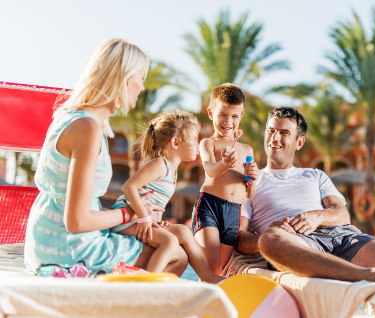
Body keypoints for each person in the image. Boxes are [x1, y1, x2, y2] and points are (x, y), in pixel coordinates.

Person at [24, 39, 188, 276]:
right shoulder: (87, 129)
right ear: (124, 78)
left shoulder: (73, 118)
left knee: (172, 248)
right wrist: (129, 214)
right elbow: (77, 221)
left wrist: (136, 206)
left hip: (49, 239)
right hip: (68, 248)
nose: (142, 87)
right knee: (176, 257)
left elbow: (77, 200)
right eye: (141, 77)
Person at [235, 106, 375, 282]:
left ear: (299, 142)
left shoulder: (315, 175)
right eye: (271, 131)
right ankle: (367, 276)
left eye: (284, 133)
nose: (275, 138)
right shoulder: (249, 183)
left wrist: (318, 216)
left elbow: (343, 214)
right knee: (269, 240)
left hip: (341, 236)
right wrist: (266, 234)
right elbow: (240, 238)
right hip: (297, 243)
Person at [109, 110, 223, 283]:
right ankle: (146, 285)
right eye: (193, 139)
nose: (197, 143)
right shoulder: (160, 164)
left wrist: (157, 219)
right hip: (126, 220)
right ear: (175, 142)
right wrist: (144, 217)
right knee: (169, 242)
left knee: (184, 231)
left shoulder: (172, 171)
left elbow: (155, 199)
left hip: (142, 219)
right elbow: (129, 187)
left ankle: (208, 277)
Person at [192, 83, 259, 275]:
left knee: (220, 270)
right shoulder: (208, 143)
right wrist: (225, 164)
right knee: (211, 268)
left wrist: (252, 178)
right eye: (222, 114)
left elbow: (249, 193)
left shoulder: (246, 150)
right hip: (209, 207)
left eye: (234, 116)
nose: (228, 121)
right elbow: (210, 170)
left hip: (233, 212)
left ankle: (209, 302)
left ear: (241, 116)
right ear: (211, 112)